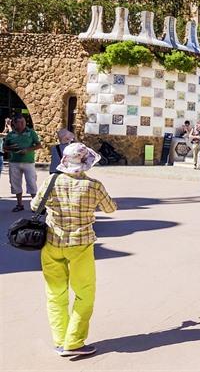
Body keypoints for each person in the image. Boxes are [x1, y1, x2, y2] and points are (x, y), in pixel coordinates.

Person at [32, 142, 117, 356]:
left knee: (55, 294)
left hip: (52, 243)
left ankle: (60, 340)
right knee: (84, 293)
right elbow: (111, 208)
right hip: (81, 244)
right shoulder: (94, 186)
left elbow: (35, 206)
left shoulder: (52, 181)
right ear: (86, 162)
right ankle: (75, 341)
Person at [6, 114, 42, 212]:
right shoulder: (10, 134)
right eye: (20, 122)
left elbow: (39, 145)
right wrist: (11, 148)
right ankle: (19, 204)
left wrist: (28, 149)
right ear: (15, 123)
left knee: (31, 183)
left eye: (24, 122)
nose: (23, 124)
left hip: (28, 162)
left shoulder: (31, 133)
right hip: (14, 162)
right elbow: (5, 148)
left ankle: (36, 205)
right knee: (16, 183)